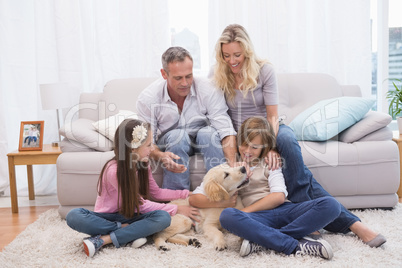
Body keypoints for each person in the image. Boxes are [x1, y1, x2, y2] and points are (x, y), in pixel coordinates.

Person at [204, 23, 386, 248]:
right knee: (304, 176)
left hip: (268, 130)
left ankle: (305, 210)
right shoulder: (217, 73)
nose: (232, 61)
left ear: (247, 52)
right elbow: (221, 118)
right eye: (226, 55)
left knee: (287, 140)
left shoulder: (265, 70)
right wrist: (235, 157)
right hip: (240, 135)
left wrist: (269, 146)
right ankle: (343, 224)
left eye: (237, 55)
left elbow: (272, 116)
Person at [192, 116, 342, 259]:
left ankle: (262, 241)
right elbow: (195, 197)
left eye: (255, 147)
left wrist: (244, 212)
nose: (248, 151)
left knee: (331, 205)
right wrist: (228, 205)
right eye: (244, 144)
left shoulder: (270, 162)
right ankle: (294, 245)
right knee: (227, 216)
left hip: (284, 211)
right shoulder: (231, 166)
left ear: (264, 148)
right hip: (257, 218)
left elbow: (278, 196)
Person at [66, 119, 200, 257]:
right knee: (73, 216)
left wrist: (186, 194)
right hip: (108, 218)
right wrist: (177, 209)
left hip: (131, 215)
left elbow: (156, 193)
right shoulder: (114, 171)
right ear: (133, 148)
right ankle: (125, 233)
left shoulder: (143, 163)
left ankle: (108, 238)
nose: (152, 149)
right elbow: (140, 205)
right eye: (148, 145)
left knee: (163, 218)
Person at [136, 46, 237, 190]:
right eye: (178, 78)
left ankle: (223, 190)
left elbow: (225, 129)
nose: (185, 83)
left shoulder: (208, 89)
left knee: (208, 133)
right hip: (170, 143)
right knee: (179, 136)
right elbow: (147, 142)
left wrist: (232, 165)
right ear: (164, 74)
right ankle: (178, 200)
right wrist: (160, 155)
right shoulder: (148, 98)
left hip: (201, 138)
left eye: (188, 76)